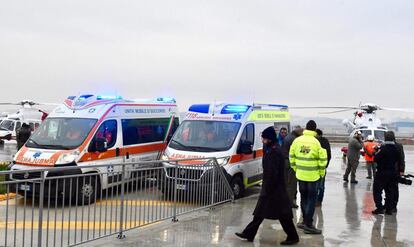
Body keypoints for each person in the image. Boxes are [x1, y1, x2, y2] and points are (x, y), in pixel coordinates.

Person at [235, 127, 299, 245]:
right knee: (260, 212)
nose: (262, 139)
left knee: (283, 215)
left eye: (264, 138)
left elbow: (272, 172)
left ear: (269, 138)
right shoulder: (270, 148)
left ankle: (293, 236)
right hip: (271, 188)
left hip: (275, 189)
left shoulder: (274, 151)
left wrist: (267, 189)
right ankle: (249, 233)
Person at [289, 120, 327, 234]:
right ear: (315, 130)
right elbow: (322, 160)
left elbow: (291, 156)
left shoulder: (297, 140)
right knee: (311, 199)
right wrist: (321, 173)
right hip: (313, 177)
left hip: (300, 175)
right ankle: (308, 224)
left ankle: (304, 221)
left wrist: (296, 169)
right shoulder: (316, 142)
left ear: (306, 128)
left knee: (304, 198)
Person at [372, 131, 402, 215]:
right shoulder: (396, 149)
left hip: (382, 173)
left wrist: (375, 153)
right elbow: (399, 160)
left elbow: (376, 159)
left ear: (385, 138)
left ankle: (379, 208)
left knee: (377, 191)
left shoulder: (383, 149)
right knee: (390, 192)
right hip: (392, 173)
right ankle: (389, 209)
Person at [281, 125, 303, 208]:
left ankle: (286, 202)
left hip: (285, 161)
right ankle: (289, 203)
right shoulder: (294, 139)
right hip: (290, 163)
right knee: (291, 184)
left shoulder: (288, 137)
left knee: (287, 183)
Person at [315, 129, 331, 207]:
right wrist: (325, 165)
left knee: (316, 185)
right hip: (323, 167)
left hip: (315, 167)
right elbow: (329, 155)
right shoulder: (326, 141)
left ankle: (316, 201)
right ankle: (319, 202)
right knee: (321, 186)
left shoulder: (317, 142)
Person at [392, 135, 405, 212]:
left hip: (395, 171)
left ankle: (394, 205)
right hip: (388, 171)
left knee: (394, 188)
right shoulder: (384, 145)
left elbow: (402, 159)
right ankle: (389, 204)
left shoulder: (399, 146)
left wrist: (401, 170)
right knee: (388, 189)